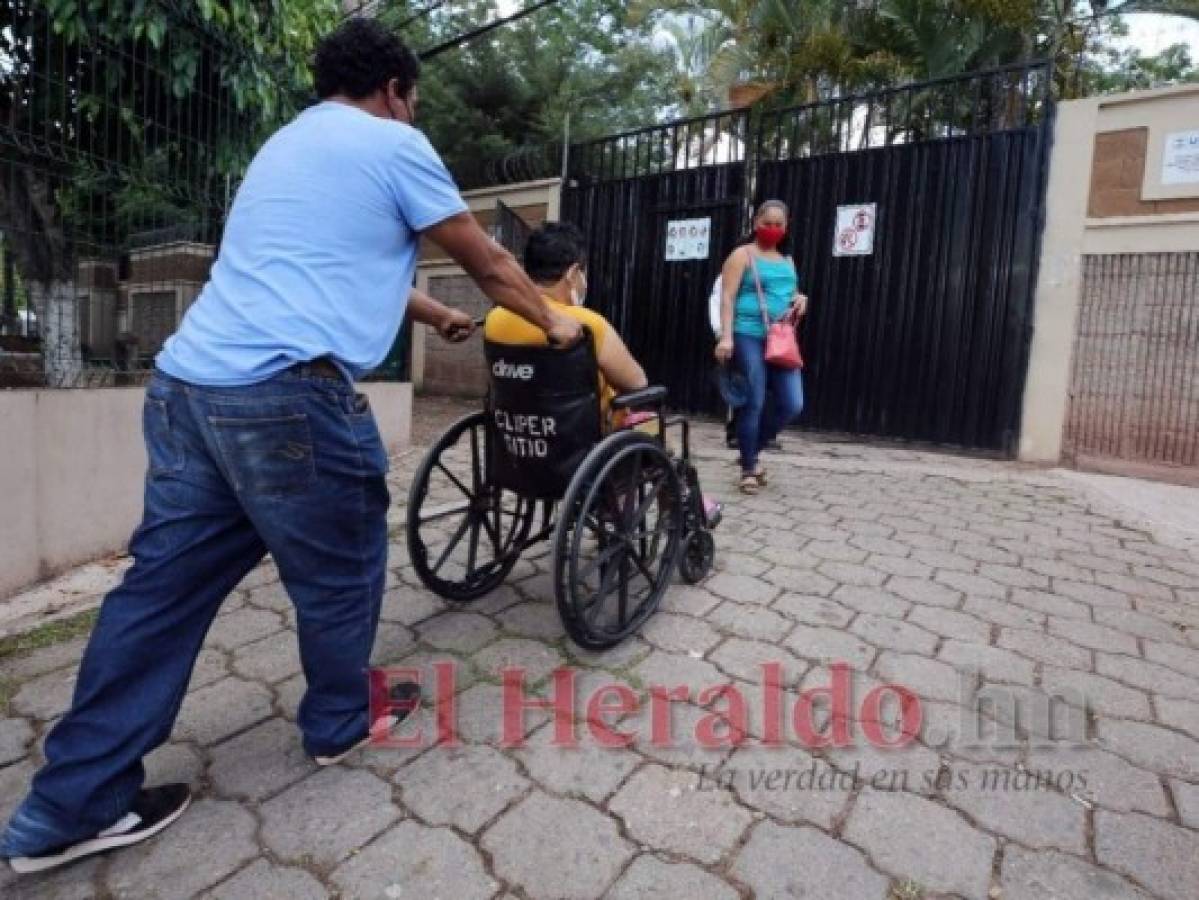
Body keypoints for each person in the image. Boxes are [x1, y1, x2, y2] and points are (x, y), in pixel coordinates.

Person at [1, 19, 581, 875]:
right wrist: (553, 320)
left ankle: (65, 808)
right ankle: (340, 722)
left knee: (160, 593)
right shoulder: (396, 142)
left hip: (188, 392)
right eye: (410, 100)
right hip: (284, 399)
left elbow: (317, 268)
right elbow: (491, 260)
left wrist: (433, 314)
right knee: (343, 566)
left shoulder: (284, 148)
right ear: (395, 90)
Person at [485, 222, 647, 421]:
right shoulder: (586, 324)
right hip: (585, 439)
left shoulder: (495, 318)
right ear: (573, 273)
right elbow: (637, 382)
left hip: (519, 437)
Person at [714, 200, 807, 494]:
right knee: (754, 400)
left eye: (779, 224)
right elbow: (727, 297)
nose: (773, 229)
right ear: (756, 223)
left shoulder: (787, 261)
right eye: (768, 223)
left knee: (793, 403)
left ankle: (749, 448)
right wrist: (726, 337)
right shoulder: (742, 255)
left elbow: (789, 294)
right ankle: (749, 468)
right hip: (747, 333)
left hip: (781, 338)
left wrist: (800, 299)